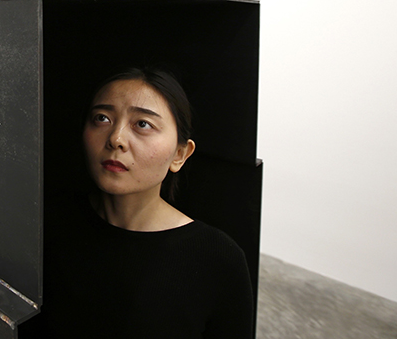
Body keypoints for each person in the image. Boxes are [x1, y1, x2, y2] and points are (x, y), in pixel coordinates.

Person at [25, 67, 254, 338]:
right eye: (102, 118)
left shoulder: (219, 259)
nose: (116, 139)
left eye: (142, 124)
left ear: (180, 154)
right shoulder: (46, 227)